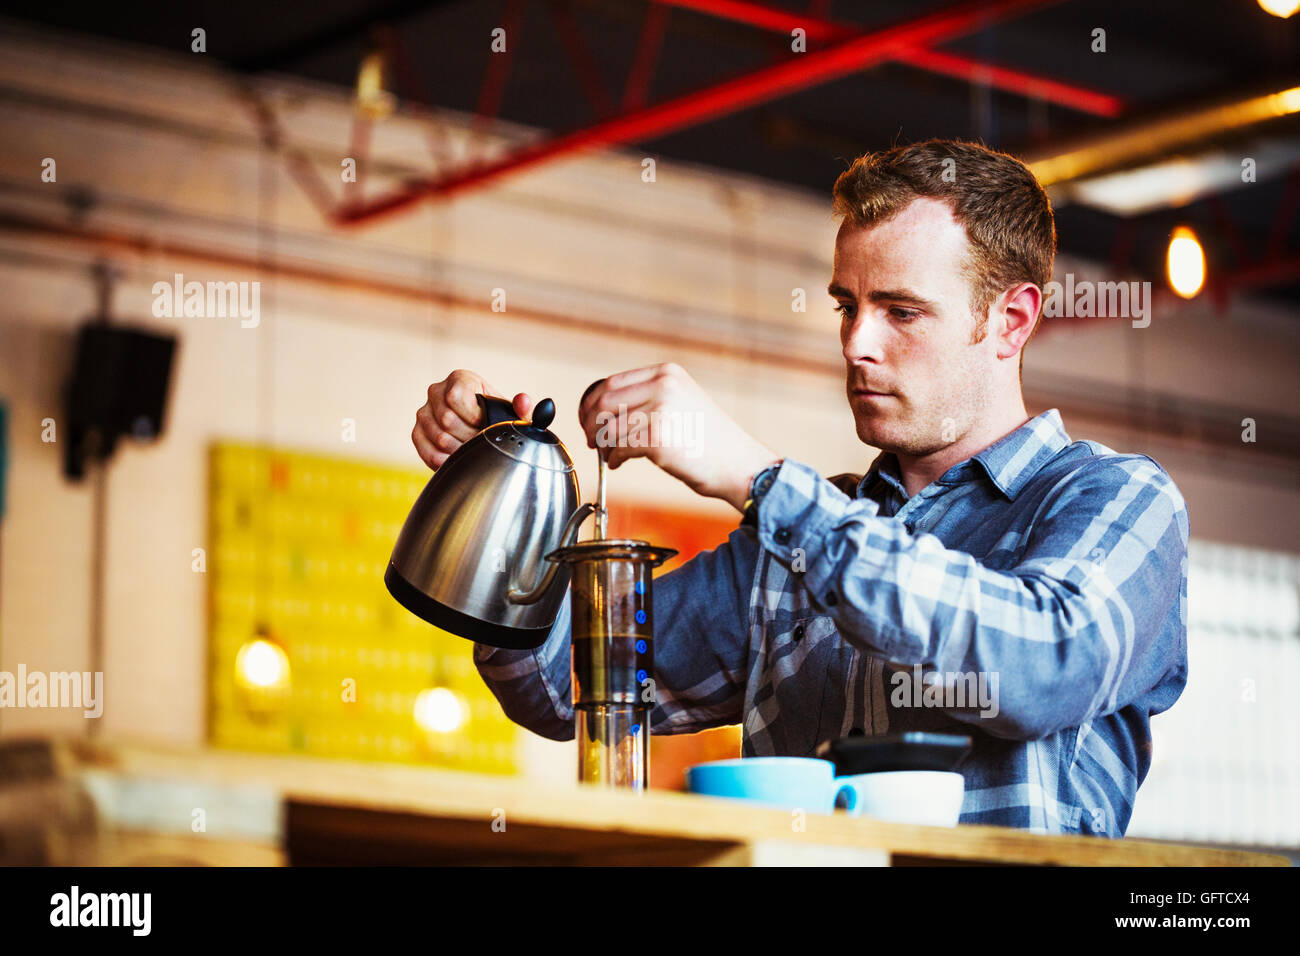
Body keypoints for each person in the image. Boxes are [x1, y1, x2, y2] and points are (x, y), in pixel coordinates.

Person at [411, 139, 1189, 837]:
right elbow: (563, 689)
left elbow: (1042, 668)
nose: (857, 344)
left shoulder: (1120, 502)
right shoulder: (772, 559)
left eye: (901, 311)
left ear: (1012, 321)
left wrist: (762, 481)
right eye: (847, 306)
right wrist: (497, 493)